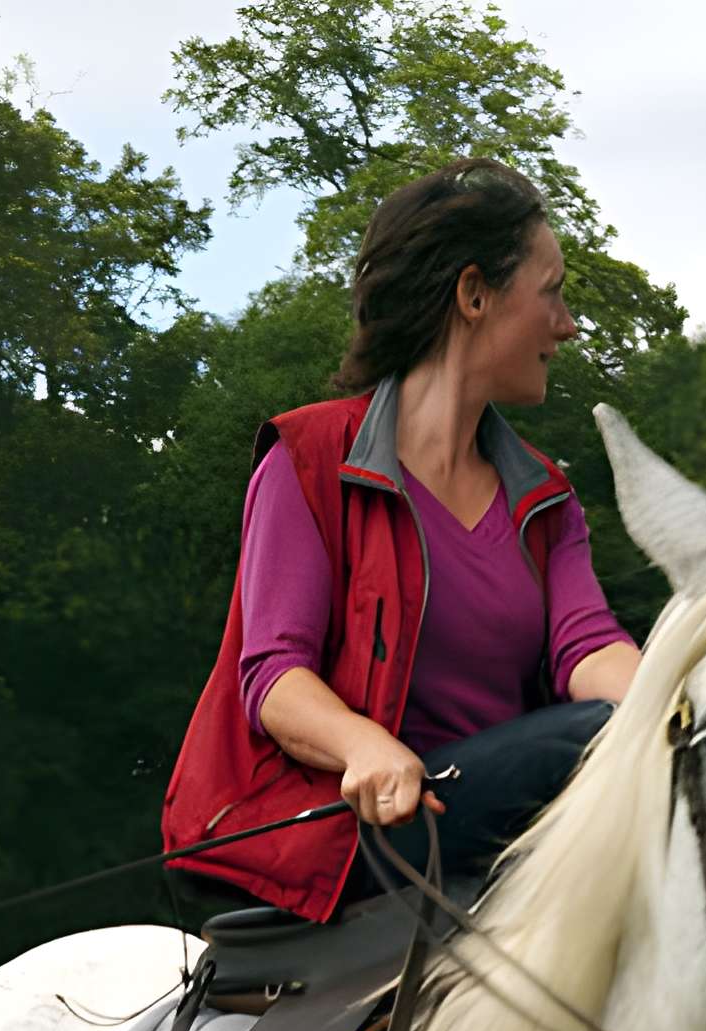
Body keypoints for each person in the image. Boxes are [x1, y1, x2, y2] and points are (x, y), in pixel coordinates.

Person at [162, 157, 640, 925]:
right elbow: (273, 677)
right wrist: (361, 745)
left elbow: (588, 646)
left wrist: (693, 703)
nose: (568, 324)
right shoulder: (309, 458)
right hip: (349, 828)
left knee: (647, 740)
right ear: (474, 295)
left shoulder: (545, 496)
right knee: (592, 740)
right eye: (550, 293)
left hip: (486, 816)